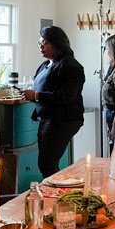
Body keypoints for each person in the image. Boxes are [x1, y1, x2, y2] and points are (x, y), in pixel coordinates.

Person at [23, 26, 85, 177]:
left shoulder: (71, 66)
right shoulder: (44, 65)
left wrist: (37, 96)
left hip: (63, 119)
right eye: (39, 43)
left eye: (45, 42)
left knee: (47, 162)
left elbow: (66, 96)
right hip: (47, 118)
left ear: (57, 44)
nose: (41, 46)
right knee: (47, 163)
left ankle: (58, 195)